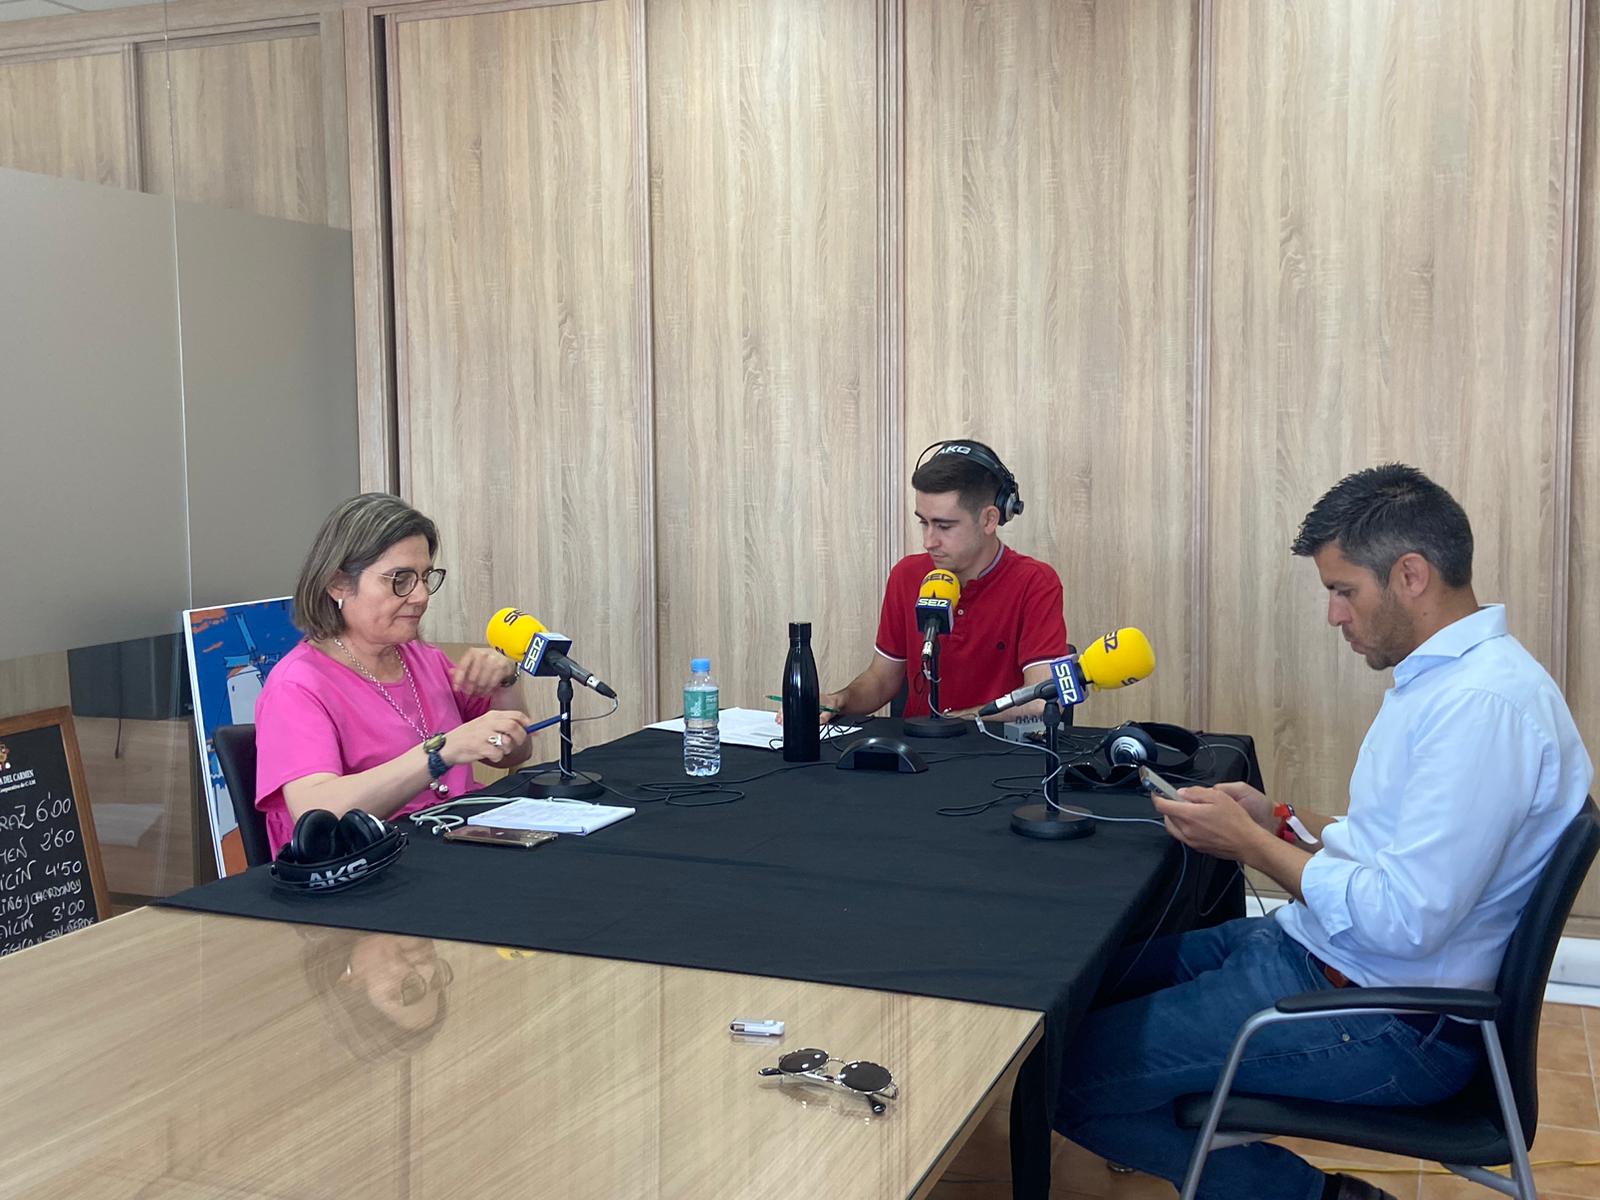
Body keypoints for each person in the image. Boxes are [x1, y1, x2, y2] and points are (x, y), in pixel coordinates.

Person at [1053, 464, 1592, 1200]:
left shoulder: (1481, 710)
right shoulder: (1451, 682)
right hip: (1328, 956)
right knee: (1073, 993)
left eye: (1344, 592)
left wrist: (1250, 846)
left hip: (1389, 1019)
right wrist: (1278, 816)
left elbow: (1403, 918)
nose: (1336, 616)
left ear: (1410, 574)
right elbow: (1396, 844)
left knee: (1062, 1078)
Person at [255, 493, 535, 857]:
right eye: (399, 579)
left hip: (450, 847)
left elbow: (512, 755)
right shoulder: (298, 685)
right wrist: (442, 752)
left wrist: (505, 684)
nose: (420, 596)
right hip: (368, 869)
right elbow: (317, 811)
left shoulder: (422, 658)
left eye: (424, 577)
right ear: (338, 583)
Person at [820, 439, 1068, 720]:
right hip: (916, 754)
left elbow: (1042, 698)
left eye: (944, 526)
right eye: (923, 522)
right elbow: (881, 679)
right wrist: (840, 699)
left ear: (989, 519)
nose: (928, 541)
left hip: (998, 753)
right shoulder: (906, 575)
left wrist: (950, 723)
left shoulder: (1035, 583)